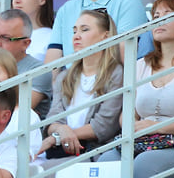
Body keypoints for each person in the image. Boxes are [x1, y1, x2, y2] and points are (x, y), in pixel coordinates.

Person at [98, 0, 174, 178]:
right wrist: (133, 125)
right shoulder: (140, 64)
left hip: (172, 144)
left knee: (144, 166)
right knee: (105, 162)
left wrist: (155, 127)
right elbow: (127, 113)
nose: (158, 21)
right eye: (155, 16)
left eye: (167, 15)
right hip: (142, 140)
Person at [38, 10, 123, 161]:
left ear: (106, 36)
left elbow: (104, 125)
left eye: (85, 30)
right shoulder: (65, 76)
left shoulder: (116, 74)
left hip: (94, 151)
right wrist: (61, 131)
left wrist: (57, 137)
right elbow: (52, 120)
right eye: (74, 30)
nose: (76, 35)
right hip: (61, 150)